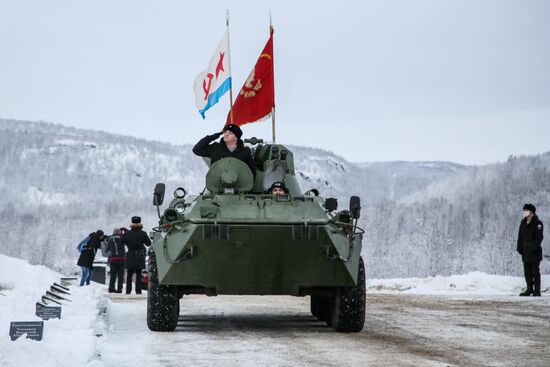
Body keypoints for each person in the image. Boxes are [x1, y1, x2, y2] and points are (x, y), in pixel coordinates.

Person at [517, 203, 544, 297]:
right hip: (525, 251)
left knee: (535, 271)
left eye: (527, 211)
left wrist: (534, 247)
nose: (525, 212)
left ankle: (537, 290)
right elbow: (520, 236)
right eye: (524, 211)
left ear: (532, 212)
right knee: (527, 272)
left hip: (534, 252)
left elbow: (539, 237)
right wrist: (519, 247)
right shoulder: (523, 222)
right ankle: (529, 289)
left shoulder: (538, 223)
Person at [122, 216, 151, 294]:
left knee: (129, 275)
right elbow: (148, 243)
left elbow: (122, 242)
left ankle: (128, 291)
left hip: (130, 254)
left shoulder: (127, 233)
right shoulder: (143, 233)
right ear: (140, 222)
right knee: (138, 274)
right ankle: (138, 291)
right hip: (139, 255)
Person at [107, 228, 126, 293]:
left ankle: (111, 288)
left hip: (113, 259)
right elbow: (127, 238)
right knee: (120, 275)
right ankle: (119, 289)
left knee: (113, 275)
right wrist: (123, 232)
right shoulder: (121, 238)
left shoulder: (110, 239)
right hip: (121, 259)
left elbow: (107, 249)